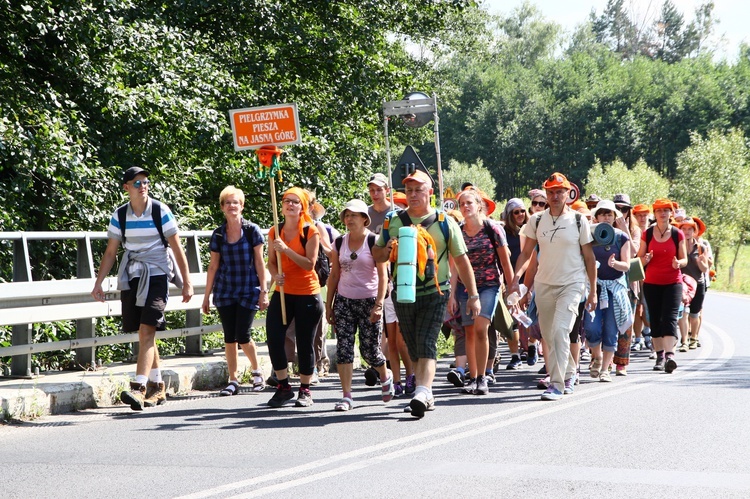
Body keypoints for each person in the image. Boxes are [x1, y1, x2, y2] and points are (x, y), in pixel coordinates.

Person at [372, 170, 480, 418]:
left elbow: (462, 261)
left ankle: (421, 391)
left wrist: (472, 295)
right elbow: (377, 256)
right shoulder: (393, 221)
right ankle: (425, 394)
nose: (412, 195)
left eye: (418, 190)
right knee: (413, 345)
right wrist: (387, 248)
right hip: (403, 292)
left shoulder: (444, 221)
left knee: (427, 341)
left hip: (435, 291)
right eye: (408, 190)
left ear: (429, 193)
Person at [91, 167, 193, 411]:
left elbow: (177, 248)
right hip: (133, 274)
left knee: (147, 328)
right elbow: (111, 252)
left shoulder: (160, 210)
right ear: (126, 188)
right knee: (144, 331)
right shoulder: (120, 215)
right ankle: (158, 387)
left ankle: (138, 388)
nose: (143, 186)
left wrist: (187, 282)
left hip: (158, 272)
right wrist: (99, 282)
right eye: (137, 183)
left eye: (145, 182)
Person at [509, 172, 597, 401]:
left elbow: (589, 259)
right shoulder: (536, 220)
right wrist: (515, 280)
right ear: (545, 194)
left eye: (559, 191)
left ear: (569, 193)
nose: (555, 196)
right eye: (550, 192)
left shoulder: (579, 220)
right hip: (544, 285)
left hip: (572, 284)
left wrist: (593, 292)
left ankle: (557, 384)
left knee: (560, 330)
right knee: (549, 335)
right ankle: (569, 373)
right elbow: (526, 253)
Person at [202, 186, 268, 396]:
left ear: (242, 205)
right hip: (225, 290)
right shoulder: (218, 234)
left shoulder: (251, 231)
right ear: (222, 207)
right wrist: (206, 296)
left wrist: (264, 290)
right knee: (229, 337)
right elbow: (213, 266)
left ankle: (257, 372)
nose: (232, 206)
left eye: (235, 202)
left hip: (248, 289)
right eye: (228, 203)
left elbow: (260, 262)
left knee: (243, 334)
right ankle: (233, 380)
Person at [326, 199, 391, 411]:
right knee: (344, 349)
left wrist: (379, 304)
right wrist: (329, 304)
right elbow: (334, 274)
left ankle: (384, 374)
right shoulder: (339, 242)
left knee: (369, 351)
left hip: (369, 301)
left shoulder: (374, 241)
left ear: (365, 219)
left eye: (354, 215)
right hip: (344, 302)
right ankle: (347, 396)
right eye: (347, 215)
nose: (349, 219)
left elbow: (383, 276)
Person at [447, 187, 513, 395]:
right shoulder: (457, 230)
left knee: (481, 328)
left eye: (469, 203)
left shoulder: (492, 228)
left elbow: (505, 261)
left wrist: (512, 290)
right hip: (465, 288)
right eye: (462, 204)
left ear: (479, 206)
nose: (465, 207)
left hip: (489, 285)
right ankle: (473, 377)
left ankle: (484, 376)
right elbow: (454, 265)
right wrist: (451, 294)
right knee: (468, 332)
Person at [266, 188, 325, 407]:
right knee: (274, 337)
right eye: (286, 201)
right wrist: (275, 275)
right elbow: (271, 261)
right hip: (283, 293)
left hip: (307, 294)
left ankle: (305, 389)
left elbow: (310, 263)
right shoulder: (275, 230)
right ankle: (283, 386)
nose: (290, 205)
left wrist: (287, 250)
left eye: (295, 202)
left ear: (302, 207)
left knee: (304, 341)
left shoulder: (311, 231)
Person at [636, 199, 688, 373]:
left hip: (673, 282)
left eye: (666, 210)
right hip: (651, 283)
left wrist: (678, 264)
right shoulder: (647, 234)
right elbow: (639, 258)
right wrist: (646, 260)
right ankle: (659, 355)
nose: (663, 213)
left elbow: (684, 259)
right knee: (655, 320)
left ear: (671, 213)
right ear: (655, 213)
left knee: (670, 318)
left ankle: (670, 356)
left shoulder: (677, 234)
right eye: (659, 210)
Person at [584, 200, 633, 382]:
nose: (606, 217)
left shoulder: (621, 237)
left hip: (614, 288)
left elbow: (626, 265)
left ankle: (605, 369)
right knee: (591, 328)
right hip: (593, 287)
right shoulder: (588, 236)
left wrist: (615, 264)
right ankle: (596, 356)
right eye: (603, 213)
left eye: (610, 214)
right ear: (596, 217)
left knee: (611, 330)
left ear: (614, 217)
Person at [675, 217, 709, 352]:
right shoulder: (677, 245)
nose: (687, 231)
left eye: (690, 229)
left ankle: (694, 338)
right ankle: (684, 341)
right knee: (683, 313)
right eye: (684, 228)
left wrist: (700, 263)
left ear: (695, 231)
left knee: (694, 314)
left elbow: (705, 269)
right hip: (682, 284)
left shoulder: (701, 247)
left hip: (698, 284)